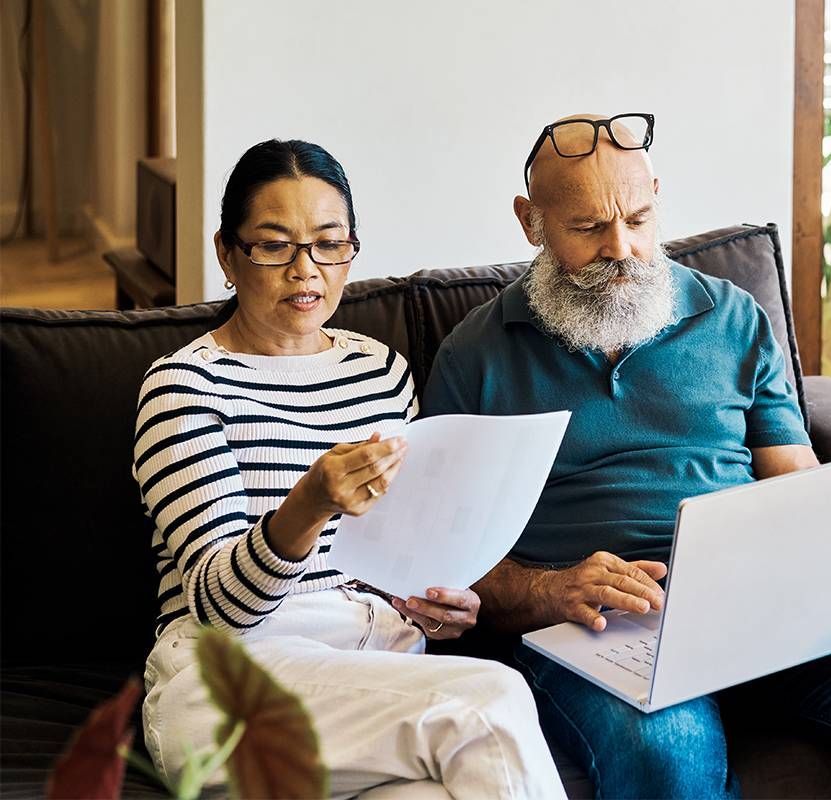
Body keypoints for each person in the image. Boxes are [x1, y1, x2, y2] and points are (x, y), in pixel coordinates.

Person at [423, 114, 831, 798]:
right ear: (532, 222)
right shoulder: (474, 356)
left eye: (638, 219)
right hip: (598, 627)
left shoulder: (734, 318)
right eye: (587, 229)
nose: (623, 249)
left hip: (759, 603)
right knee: (669, 758)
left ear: (657, 197)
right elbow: (446, 562)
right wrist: (551, 589)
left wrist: (824, 552)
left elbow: (795, 476)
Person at [135, 139, 564, 799]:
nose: (305, 271)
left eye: (329, 243)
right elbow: (220, 612)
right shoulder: (186, 386)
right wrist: (306, 507)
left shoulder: (380, 371)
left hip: (376, 675)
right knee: (490, 702)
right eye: (274, 245)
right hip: (233, 681)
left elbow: (406, 554)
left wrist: (436, 606)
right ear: (227, 253)